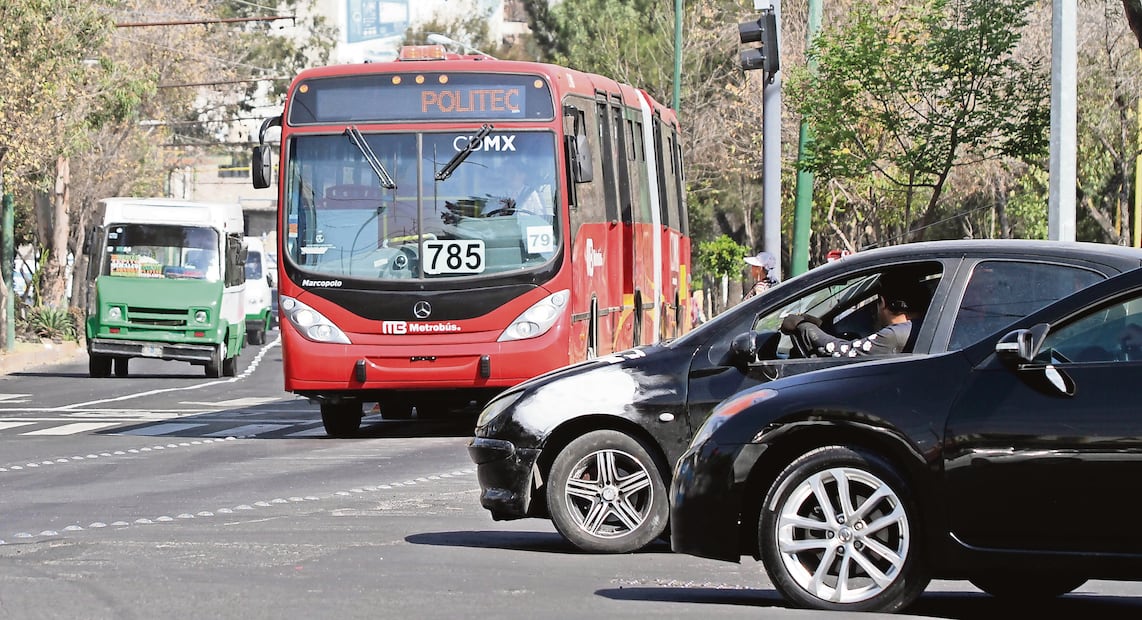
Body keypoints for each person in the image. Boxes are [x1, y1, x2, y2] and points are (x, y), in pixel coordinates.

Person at [781, 275, 928, 357]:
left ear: (882, 302)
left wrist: (803, 326)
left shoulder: (894, 335)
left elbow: (843, 350)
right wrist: (820, 324)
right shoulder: (921, 326)